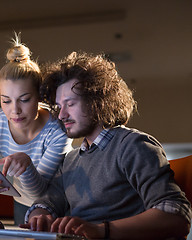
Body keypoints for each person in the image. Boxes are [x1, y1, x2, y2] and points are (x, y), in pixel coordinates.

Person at [20, 51, 192, 239]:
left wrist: (101, 230)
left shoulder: (133, 146)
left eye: (70, 104)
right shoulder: (71, 159)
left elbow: (177, 216)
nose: (61, 115)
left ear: (97, 102)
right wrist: (40, 216)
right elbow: (47, 203)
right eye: (59, 107)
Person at [0, 35, 72, 225]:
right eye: (6, 101)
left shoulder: (58, 129)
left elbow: (40, 193)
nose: (14, 110)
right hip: (22, 203)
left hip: (60, 204)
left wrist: (26, 168)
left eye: (24, 99)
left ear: (40, 96)